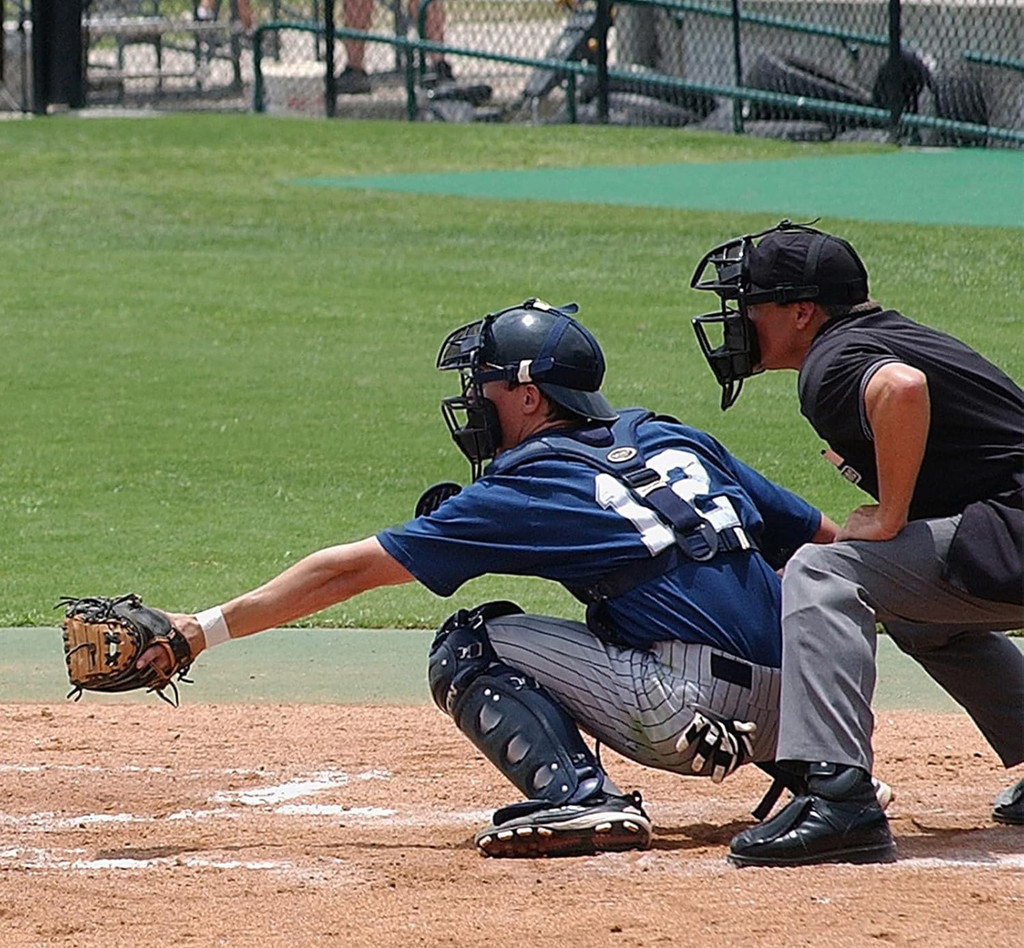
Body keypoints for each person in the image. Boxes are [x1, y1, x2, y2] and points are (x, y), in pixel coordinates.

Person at [142, 298, 844, 860]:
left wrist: (199, 630)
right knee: (751, 574)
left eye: (486, 385)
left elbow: (349, 572)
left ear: (530, 395)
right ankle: (830, 781)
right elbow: (825, 544)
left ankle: (580, 795)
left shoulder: (530, 481)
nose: (475, 400)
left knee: (471, 642)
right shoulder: (674, 438)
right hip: (804, 714)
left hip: (683, 715)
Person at [689, 220, 1024, 867]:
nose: (741, 319)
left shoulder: (833, 360)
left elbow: (901, 389)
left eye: (754, 305)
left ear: (802, 311)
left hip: (1012, 535)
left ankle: (841, 798)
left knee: (825, 571)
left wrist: (891, 515)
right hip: (1006, 534)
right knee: (920, 616)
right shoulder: (883, 334)